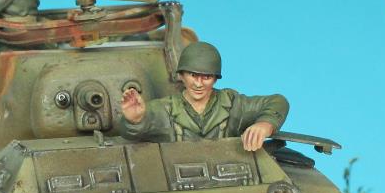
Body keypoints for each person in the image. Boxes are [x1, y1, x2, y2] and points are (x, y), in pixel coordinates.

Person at [116, 41, 288, 151]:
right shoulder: (164, 109)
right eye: (193, 75)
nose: (198, 84)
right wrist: (134, 120)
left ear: (215, 79)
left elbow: (278, 102)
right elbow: (130, 133)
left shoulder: (232, 103)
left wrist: (265, 124)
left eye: (206, 77)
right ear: (181, 76)